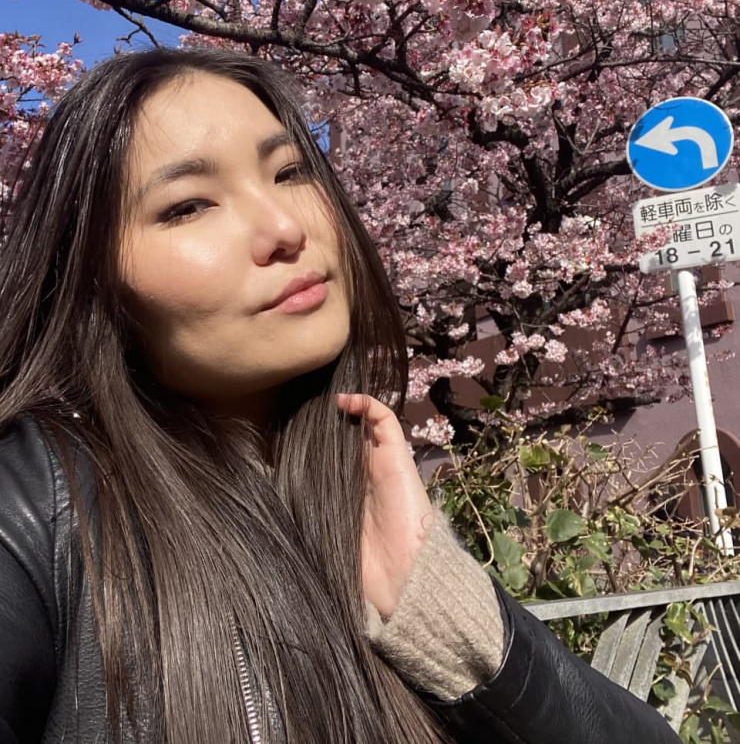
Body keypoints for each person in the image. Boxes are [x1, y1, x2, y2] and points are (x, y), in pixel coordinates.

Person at [0, 48, 680, 744]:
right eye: (189, 206)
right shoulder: (32, 513)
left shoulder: (354, 503)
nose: (285, 229)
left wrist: (444, 611)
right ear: (88, 276)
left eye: (290, 171)